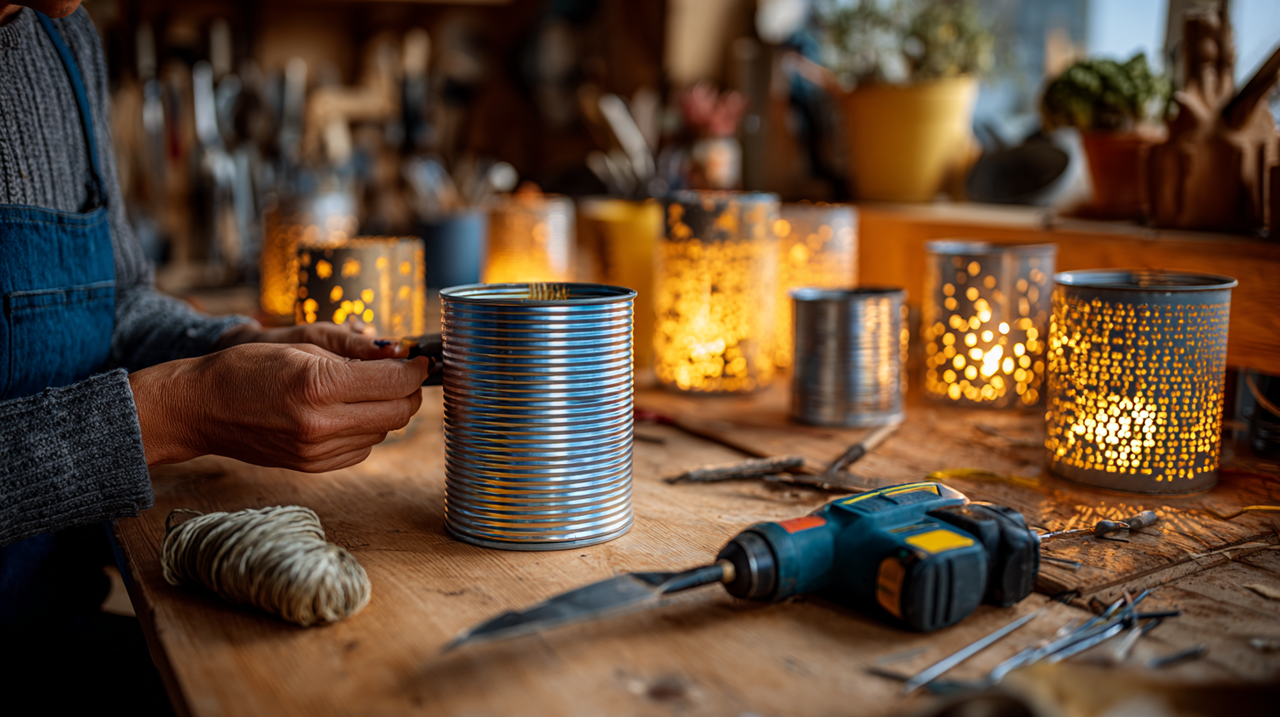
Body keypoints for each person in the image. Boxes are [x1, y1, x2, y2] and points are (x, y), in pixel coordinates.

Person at [0, 2, 428, 710]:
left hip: (54, 626)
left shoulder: (62, 34)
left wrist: (235, 343)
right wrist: (181, 411)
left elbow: (121, 301)